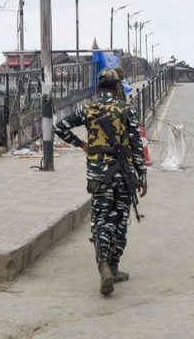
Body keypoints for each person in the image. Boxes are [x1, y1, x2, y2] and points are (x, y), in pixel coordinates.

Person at [53, 69, 148, 296]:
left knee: (101, 220)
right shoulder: (125, 109)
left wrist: (81, 144)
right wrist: (142, 175)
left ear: (100, 88)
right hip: (123, 175)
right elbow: (136, 145)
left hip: (97, 175)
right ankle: (112, 266)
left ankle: (103, 265)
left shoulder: (87, 109)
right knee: (120, 219)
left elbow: (60, 127)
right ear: (116, 87)